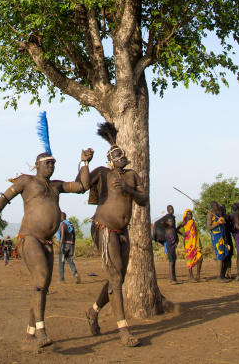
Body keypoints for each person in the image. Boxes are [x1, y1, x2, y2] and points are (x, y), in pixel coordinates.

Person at [0, 112, 93, 350]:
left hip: (47, 242)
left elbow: (82, 186)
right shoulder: (26, 181)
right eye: (48, 163)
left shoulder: (57, 186)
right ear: (37, 164)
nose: (51, 166)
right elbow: (3, 199)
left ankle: (30, 333)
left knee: (43, 285)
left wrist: (84, 162)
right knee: (41, 279)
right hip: (28, 238)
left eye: (54, 164)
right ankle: (42, 331)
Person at [83, 122, 147, 348]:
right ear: (110, 159)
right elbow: (82, 185)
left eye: (123, 153)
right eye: (117, 154)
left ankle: (93, 311)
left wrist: (128, 189)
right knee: (117, 277)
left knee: (117, 276)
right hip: (104, 229)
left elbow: (144, 200)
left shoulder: (132, 176)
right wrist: (84, 163)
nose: (123, 156)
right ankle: (123, 329)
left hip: (123, 231)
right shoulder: (103, 173)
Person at [206, 202, 230, 283]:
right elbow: (209, 227)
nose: (217, 206)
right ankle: (218, 276)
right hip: (216, 237)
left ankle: (222, 275)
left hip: (222, 236)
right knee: (219, 255)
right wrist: (218, 223)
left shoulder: (218, 214)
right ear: (212, 206)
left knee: (225, 255)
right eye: (216, 205)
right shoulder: (210, 215)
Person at [177, 209, 203, 282]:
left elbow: (196, 233)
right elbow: (176, 229)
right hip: (188, 243)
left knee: (200, 258)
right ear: (186, 215)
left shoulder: (193, 222)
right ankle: (191, 276)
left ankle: (198, 276)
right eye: (188, 214)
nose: (190, 215)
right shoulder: (184, 222)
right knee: (190, 259)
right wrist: (182, 234)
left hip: (195, 243)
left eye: (191, 214)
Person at [57, 213, 81, 283]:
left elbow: (62, 236)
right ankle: (75, 274)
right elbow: (74, 235)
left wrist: (59, 247)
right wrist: (73, 244)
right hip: (71, 245)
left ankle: (61, 279)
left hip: (64, 245)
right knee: (70, 261)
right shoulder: (70, 224)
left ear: (61, 217)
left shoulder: (62, 225)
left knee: (61, 262)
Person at [163, 215, 179, 284]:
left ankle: (173, 278)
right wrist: (167, 224)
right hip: (170, 247)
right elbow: (162, 223)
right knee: (171, 262)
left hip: (173, 247)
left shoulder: (173, 229)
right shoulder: (168, 228)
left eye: (172, 221)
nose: (171, 222)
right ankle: (172, 279)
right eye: (170, 221)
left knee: (173, 261)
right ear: (167, 222)